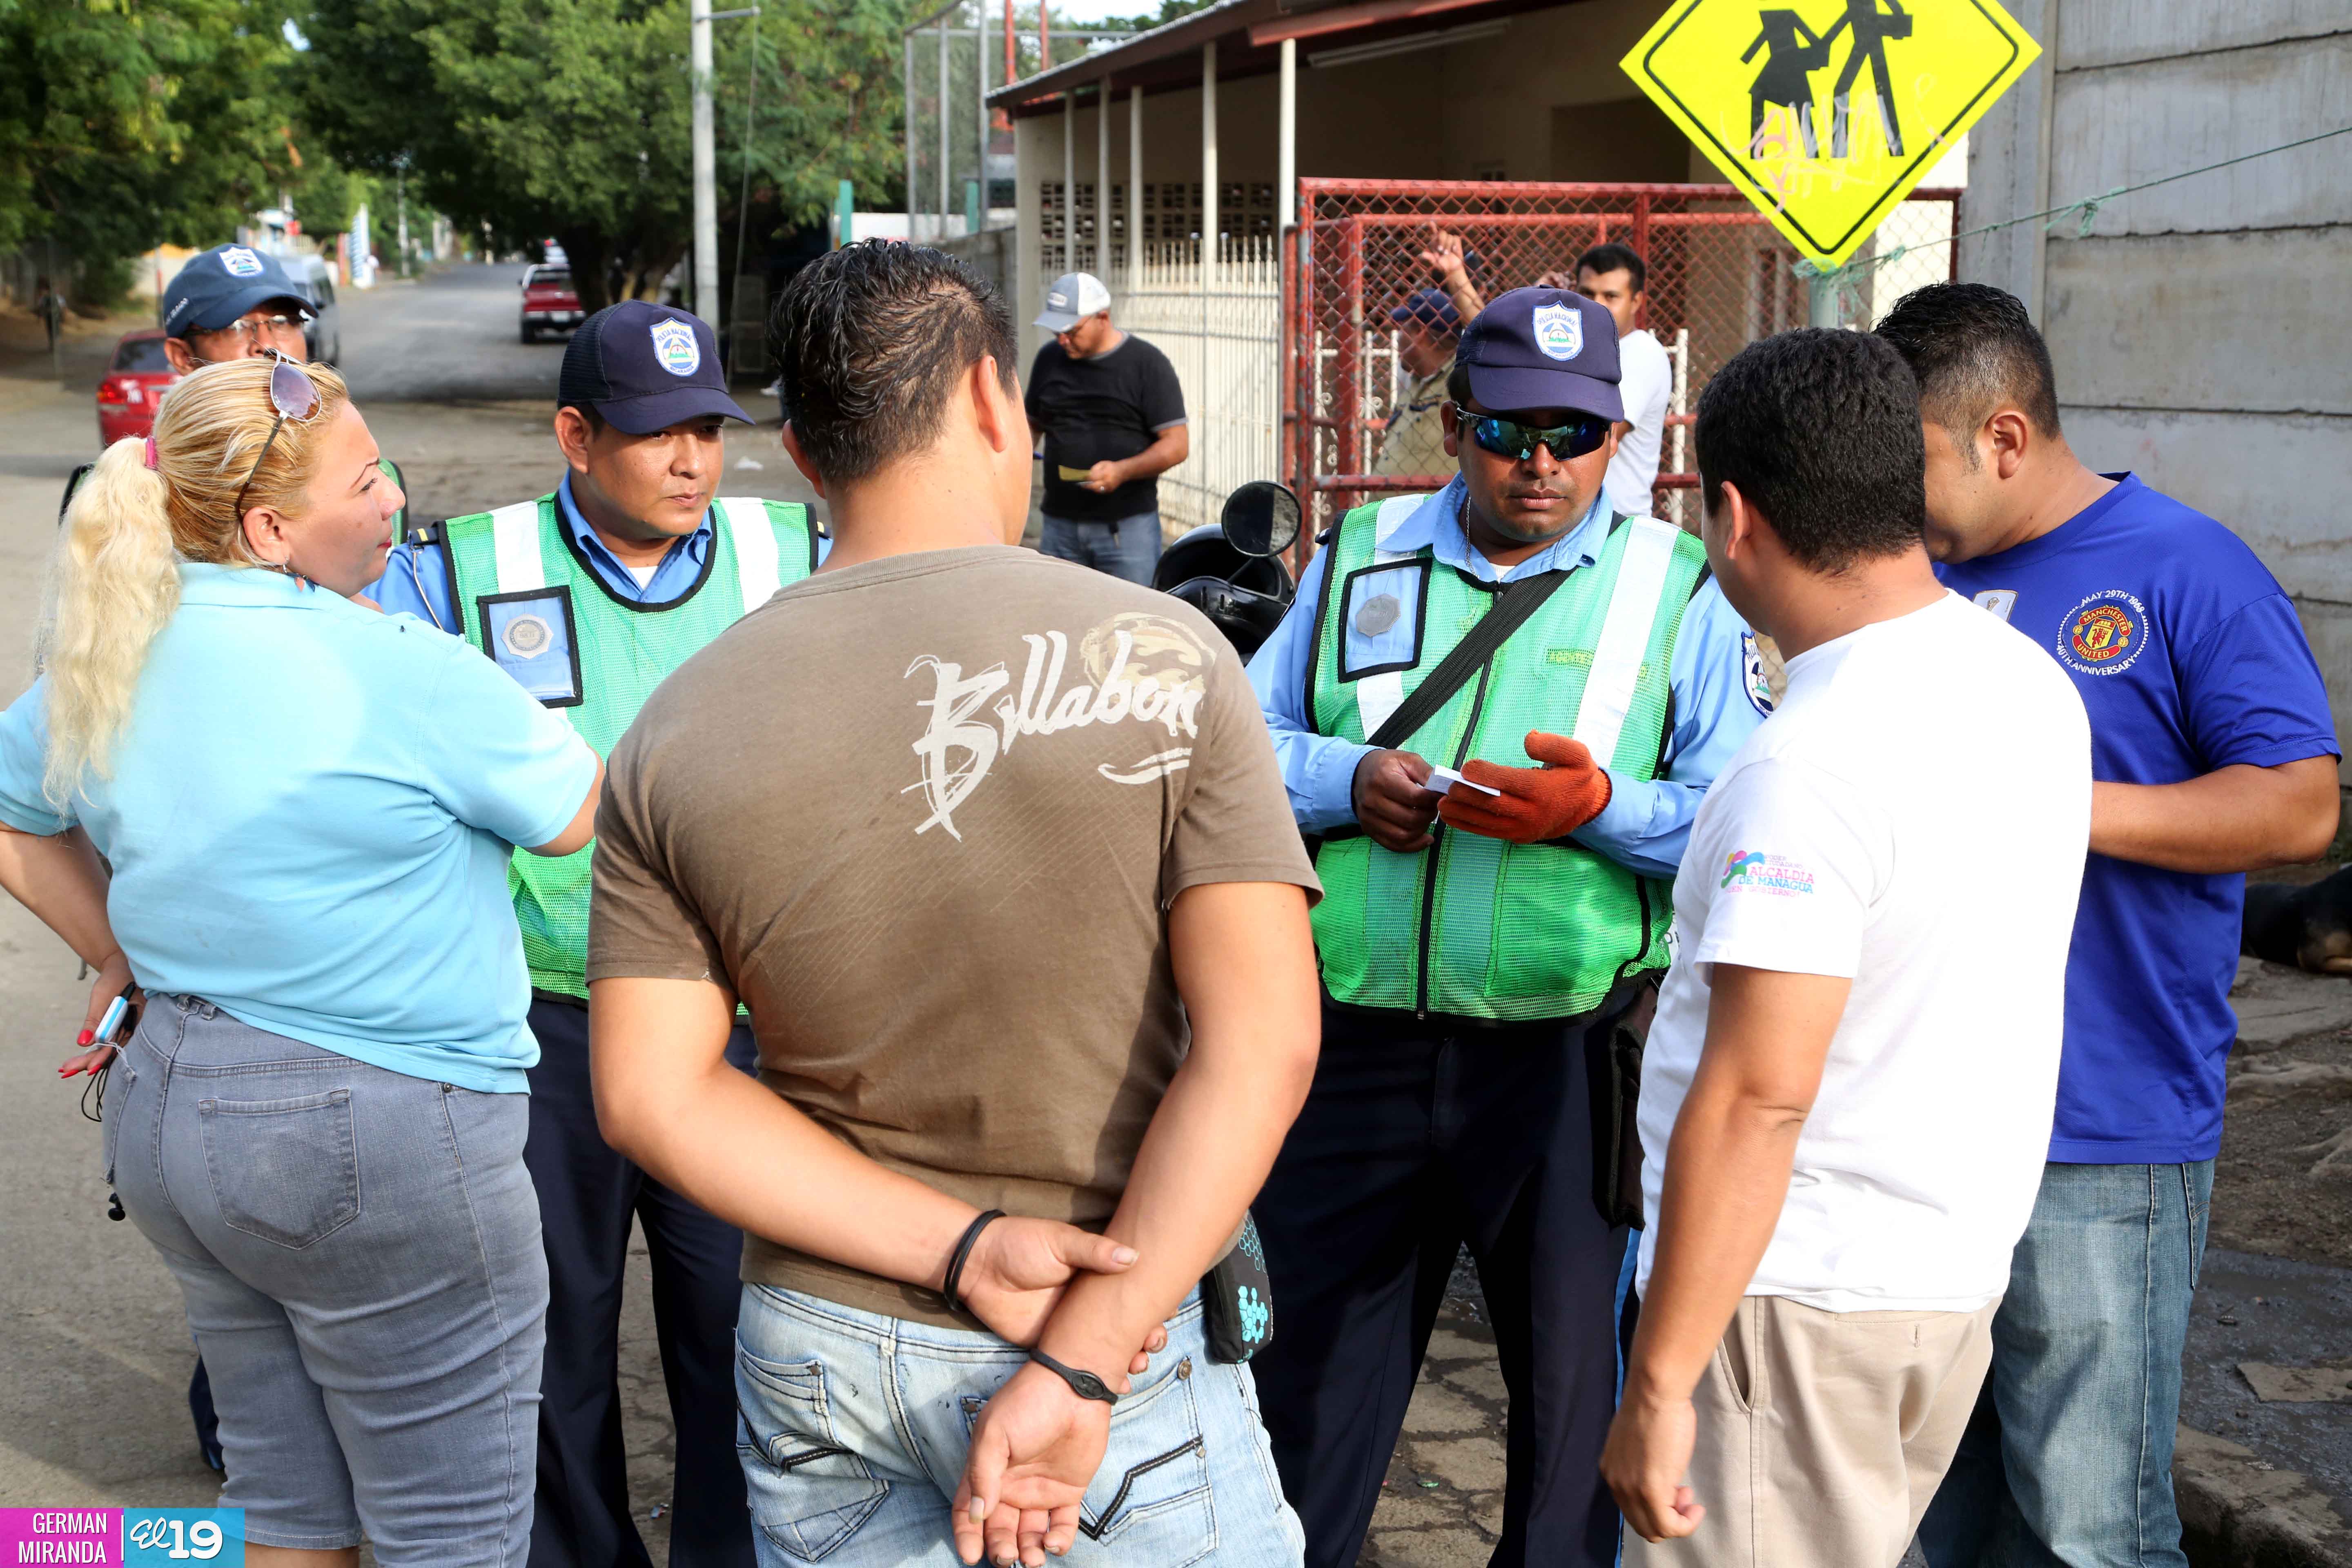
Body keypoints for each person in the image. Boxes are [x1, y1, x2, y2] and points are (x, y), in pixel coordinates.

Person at [585, 240, 1320, 1568]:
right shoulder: (1169, 658)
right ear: (996, 401)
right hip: (1110, 1319)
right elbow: (1265, 1044)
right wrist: (1087, 1364)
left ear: (806, 459)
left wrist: (964, 1246)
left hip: (823, 1342)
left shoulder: (673, 729)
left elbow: (652, 1096)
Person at [0, 356, 603, 1566]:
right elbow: (580, 814)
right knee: (453, 1528)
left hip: (172, 1103)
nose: (395, 497)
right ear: (273, 527)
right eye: (366, 477)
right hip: (384, 1130)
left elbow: (17, 814)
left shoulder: (107, 661)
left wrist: (110, 945)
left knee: (283, 1501)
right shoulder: (406, 670)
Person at [1245, 287, 1772, 1568]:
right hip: (1354, 1042)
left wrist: (1597, 810)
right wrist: (1343, 784)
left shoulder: (1679, 584)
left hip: (1565, 1057)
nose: (1542, 465)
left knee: (1565, 1399)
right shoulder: (1357, 552)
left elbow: (1738, 815)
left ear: (1616, 437)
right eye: (1508, 433)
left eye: (1575, 436)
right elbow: (1239, 748)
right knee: (1304, 1390)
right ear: (1454, 423)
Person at [1599, 327, 2091, 1567]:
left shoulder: (1803, 768)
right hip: (1941, 1268)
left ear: (1732, 516)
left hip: (1789, 1298)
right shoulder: (2025, 682)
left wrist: (1660, 1382)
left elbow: (1761, 1093)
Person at [1879, 284, 2342, 1568]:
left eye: (1908, 457)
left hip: (2101, 1130)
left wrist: (2063, 805)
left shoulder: (2187, 569)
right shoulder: (1916, 585)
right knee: (1940, 1523)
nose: (1893, 497)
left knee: (2092, 1526)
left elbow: (2302, 803)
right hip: (1927, 1131)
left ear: (2005, 438)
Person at [372, 299, 818, 1568]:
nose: (691, 460)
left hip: (736, 1023)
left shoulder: (789, 549)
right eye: (653, 433)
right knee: (554, 1335)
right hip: (540, 1025)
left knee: (739, 1327)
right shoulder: (457, 564)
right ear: (576, 433)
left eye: (707, 429)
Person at [1025, 270, 1189, 584]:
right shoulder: (1049, 359)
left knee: (1131, 623)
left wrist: (1123, 471)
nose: (1062, 340)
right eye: (1056, 331)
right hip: (1059, 526)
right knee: (1059, 622)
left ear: (1103, 317)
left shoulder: (1147, 364)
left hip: (1126, 531)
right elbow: (1033, 424)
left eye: (1071, 331)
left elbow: (1177, 444)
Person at [1570, 244, 1675, 521]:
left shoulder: (1641, 351)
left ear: (1637, 301)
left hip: (1616, 525)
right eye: (1588, 294)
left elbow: (1600, 434)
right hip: (1577, 522)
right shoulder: (1578, 350)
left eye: (1611, 296)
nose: (1597, 305)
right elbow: (1501, 344)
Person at [160, 244, 318, 373]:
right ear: (183, 357)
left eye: (283, 322)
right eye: (236, 327)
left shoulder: (337, 409)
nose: (267, 346)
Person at [1370, 288, 1460, 482]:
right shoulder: (1415, 383)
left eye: (1403, 329)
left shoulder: (1460, 380)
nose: (1398, 339)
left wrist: (1456, 277)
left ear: (1419, 332)